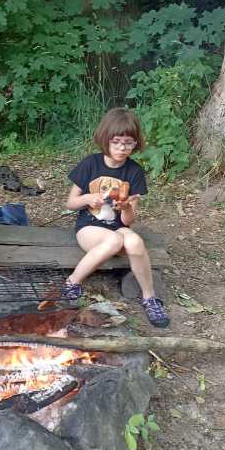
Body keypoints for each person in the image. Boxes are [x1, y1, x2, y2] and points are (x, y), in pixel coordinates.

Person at [62, 107, 170, 328]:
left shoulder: (134, 172)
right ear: (106, 139)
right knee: (114, 240)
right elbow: (70, 202)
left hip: (118, 228)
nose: (122, 148)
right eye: (117, 142)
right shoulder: (90, 164)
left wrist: (126, 207)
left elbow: (128, 222)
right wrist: (87, 198)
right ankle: (71, 283)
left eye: (128, 143)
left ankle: (149, 298)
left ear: (135, 143)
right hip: (89, 227)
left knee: (135, 241)